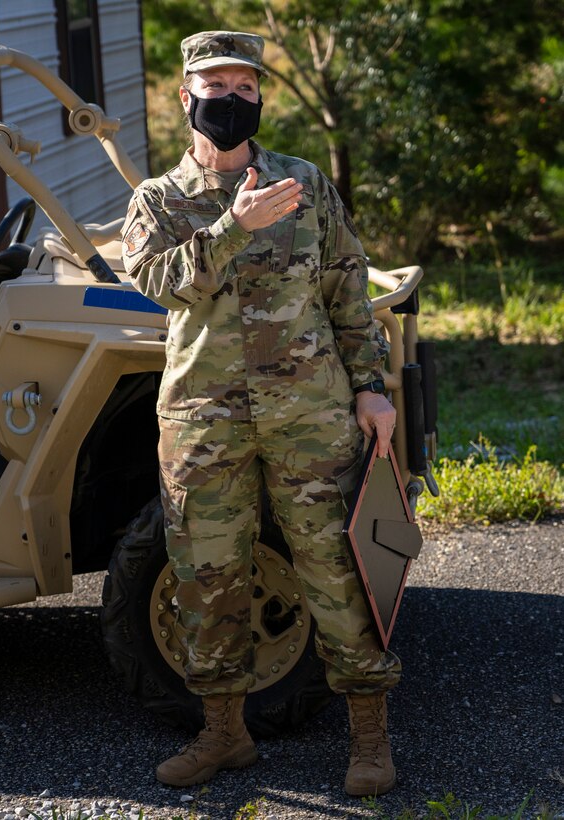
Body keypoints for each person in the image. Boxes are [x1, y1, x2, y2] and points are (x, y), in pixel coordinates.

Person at [121, 30, 401, 796]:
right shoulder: (158, 200)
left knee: (339, 570)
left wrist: (371, 387)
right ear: (186, 95)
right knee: (206, 577)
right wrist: (230, 229)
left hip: (310, 417)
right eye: (216, 86)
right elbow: (156, 282)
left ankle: (369, 736)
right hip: (203, 423)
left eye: (245, 88)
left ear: (260, 97)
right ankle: (224, 734)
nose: (232, 100)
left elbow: (348, 286)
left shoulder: (305, 183)